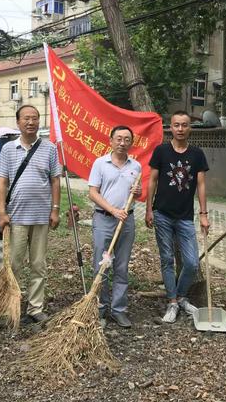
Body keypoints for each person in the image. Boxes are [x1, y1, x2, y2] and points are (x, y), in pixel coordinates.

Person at [0, 105, 61, 323]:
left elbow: (55, 180)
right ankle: (8, 307)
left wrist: (55, 210)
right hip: (16, 217)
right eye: (26, 118)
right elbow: (2, 182)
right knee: (13, 264)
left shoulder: (49, 148)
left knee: (38, 264)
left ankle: (35, 308)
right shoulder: (7, 149)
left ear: (38, 121)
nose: (30, 122)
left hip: (42, 216)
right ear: (18, 122)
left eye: (34, 118)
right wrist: (2, 212)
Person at [145, 111, 210, 323]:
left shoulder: (197, 154)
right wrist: (148, 209)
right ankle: (172, 301)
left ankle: (181, 296)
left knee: (191, 262)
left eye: (184, 125)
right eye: (176, 125)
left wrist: (203, 213)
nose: (180, 129)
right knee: (167, 259)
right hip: (162, 213)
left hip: (185, 216)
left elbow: (201, 184)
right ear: (170, 128)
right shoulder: (161, 151)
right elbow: (152, 181)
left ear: (190, 128)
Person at [88, 126, 142, 328]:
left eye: (126, 139)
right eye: (118, 138)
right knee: (101, 264)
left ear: (131, 142)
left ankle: (119, 309)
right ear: (110, 141)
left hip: (126, 221)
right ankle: (99, 309)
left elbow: (137, 194)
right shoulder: (100, 163)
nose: (122, 142)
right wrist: (112, 210)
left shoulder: (135, 166)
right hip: (104, 219)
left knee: (121, 266)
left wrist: (138, 191)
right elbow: (93, 193)